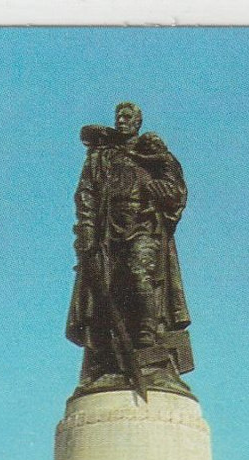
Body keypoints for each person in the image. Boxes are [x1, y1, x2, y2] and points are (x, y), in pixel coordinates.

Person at [66, 101, 193, 394]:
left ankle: (148, 350)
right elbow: (85, 194)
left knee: (141, 279)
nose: (122, 121)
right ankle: (110, 362)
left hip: (144, 228)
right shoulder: (101, 157)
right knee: (108, 292)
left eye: (128, 117)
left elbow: (176, 192)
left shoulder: (154, 155)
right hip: (108, 234)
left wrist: (159, 190)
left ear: (138, 122)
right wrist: (85, 231)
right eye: (118, 117)